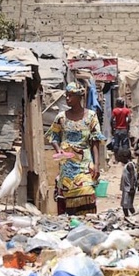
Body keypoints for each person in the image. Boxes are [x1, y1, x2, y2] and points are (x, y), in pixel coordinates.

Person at [46, 82, 106, 215]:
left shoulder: (91, 116)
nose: (67, 99)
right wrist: (58, 150)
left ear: (80, 97)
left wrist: (96, 164)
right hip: (67, 163)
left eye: (71, 96)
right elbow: (53, 136)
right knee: (69, 196)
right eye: (66, 96)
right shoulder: (61, 117)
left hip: (84, 161)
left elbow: (95, 140)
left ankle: (87, 221)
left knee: (87, 191)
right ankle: (71, 223)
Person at [117, 148, 137, 217]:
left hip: (129, 189)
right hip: (126, 188)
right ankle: (130, 217)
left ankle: (131, 217)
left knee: (127, 206)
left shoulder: (129, 165)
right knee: (126, 205)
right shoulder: (127, 165)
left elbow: (132, 177)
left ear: (124, 157)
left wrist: (131, 187)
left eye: (120, 157)